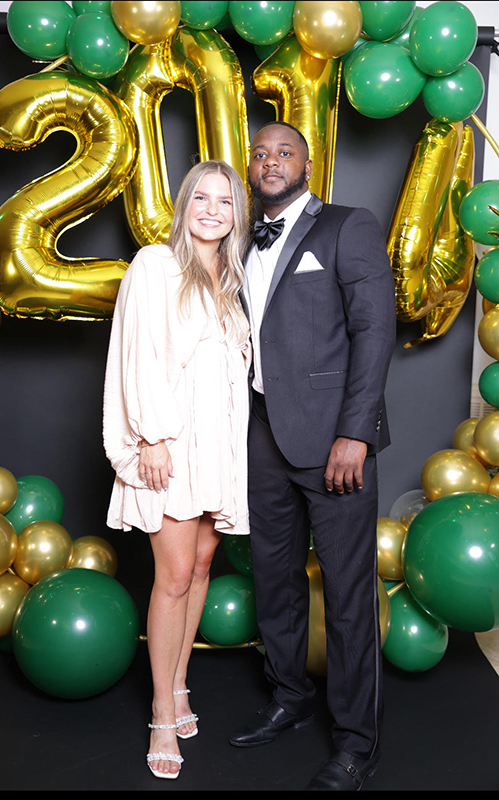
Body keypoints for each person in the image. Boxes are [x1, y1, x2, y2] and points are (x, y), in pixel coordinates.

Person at [229, 122, 396, 792]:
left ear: (307, 163)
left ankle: (357, 743)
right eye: (260, 154)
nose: (270, 162)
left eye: (284, 153)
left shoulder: (347, 226)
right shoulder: (241, 237)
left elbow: (374, 329)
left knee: (348, 596)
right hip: (261, 435)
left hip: (334, 443)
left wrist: (355, 433)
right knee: (274, 581)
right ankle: (290, 696)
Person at [102, 160, 251, 781]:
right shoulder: (155, 265)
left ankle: (181, 680)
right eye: (201, 198)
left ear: (237, 213)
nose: (212, 210)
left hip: (219, 444)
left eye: (225, 201)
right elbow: (138, 353)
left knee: (202, 564)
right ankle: (162, 710)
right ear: (184, 204)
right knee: (173, 575)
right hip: (172, 442)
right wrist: (153, 437)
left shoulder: (232, 278)